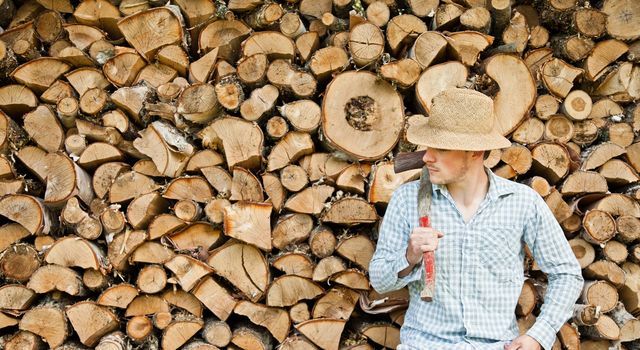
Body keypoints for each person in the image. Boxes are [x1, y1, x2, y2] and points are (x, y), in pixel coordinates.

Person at [369, 88, 584, 350]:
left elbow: (567, 274)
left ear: (476, 152)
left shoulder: (521, 202)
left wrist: (539, 334)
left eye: (441, 148)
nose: (426, 156)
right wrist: (409, 256)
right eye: (428, 146)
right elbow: (379, 281)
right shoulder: (407, 200)